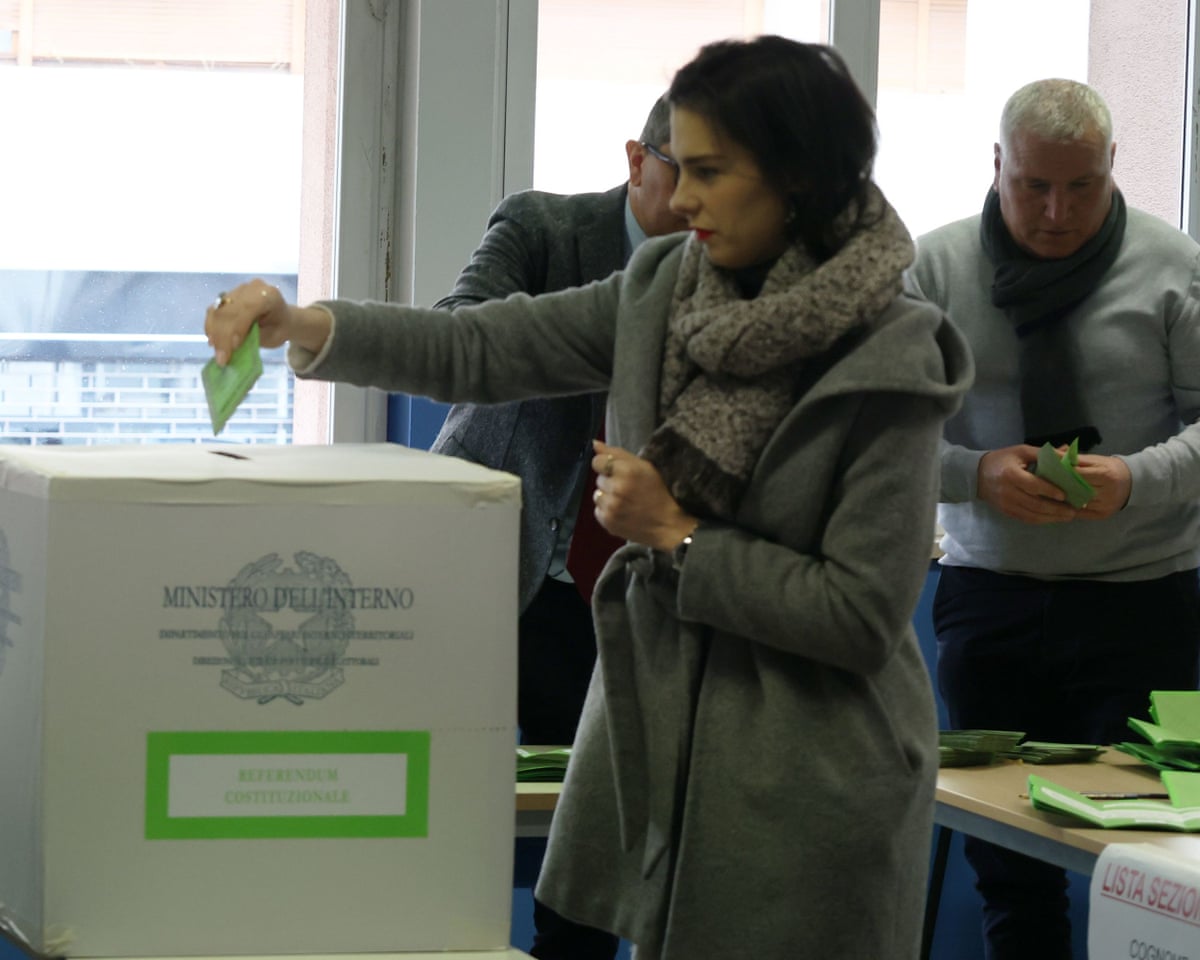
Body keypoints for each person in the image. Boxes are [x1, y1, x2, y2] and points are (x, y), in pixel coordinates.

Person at [206, 35, 972, 959]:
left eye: (708, 171)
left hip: (806, 780)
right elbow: (481, 347)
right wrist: (309, 323)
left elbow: (860, 614)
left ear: (796, 176)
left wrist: (678, 537)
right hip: (657, 745)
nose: (678, 197)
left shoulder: (893, 354)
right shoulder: (664, 286)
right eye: (675, 167)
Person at [906, 78, 1200, 960]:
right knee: (1009, 868)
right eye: (1033, 185)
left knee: (1156, 860)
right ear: (997, 165)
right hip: (988, 597)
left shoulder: (1172, 265)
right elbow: (875, 439)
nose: (1056, 211)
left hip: (1146, 600)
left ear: (1113, 167)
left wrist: (1138, 480)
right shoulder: (935, 268)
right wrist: (974, 471)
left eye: (1082, 186)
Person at [429, 94, 685, 960]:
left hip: (630, 588)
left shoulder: (734, 271)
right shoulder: (543, 227)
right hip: (504, 562)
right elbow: (462, 331)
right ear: (635, 160)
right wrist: (610, 334)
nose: (695, 201)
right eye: (681, 171)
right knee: (439, 802)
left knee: (596, 843)